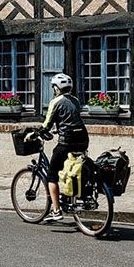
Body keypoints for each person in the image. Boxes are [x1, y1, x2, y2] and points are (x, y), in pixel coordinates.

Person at [40, 73, 88, 223]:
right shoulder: (76, 100)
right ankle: (72, 195)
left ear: (56, 88)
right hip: (83, 140)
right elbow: (71, 118)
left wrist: (38, 132)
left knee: (52, 175)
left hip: (67, 141)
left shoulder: (56, 101)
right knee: (73, 167)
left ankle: (56, 210)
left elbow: (47, 123)